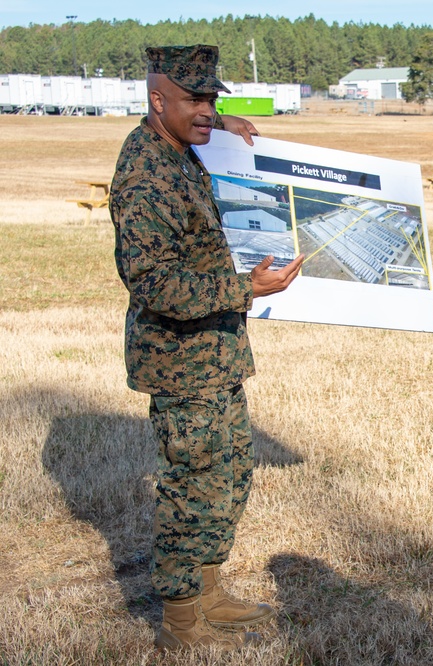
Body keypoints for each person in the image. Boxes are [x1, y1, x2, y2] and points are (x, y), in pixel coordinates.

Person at [111, 44, 304, 651]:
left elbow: (197, 117)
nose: (207, 109)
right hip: (179, 359)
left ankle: (209, 588)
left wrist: (223, 123)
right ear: (156, 98)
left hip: (214, 351)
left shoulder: (179, 141)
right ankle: (180, 618)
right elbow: (153, 282)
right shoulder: (144, 175)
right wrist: (246, 287)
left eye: (212, 97)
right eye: (194, 99)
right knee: (191, 483)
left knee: (227, 475)